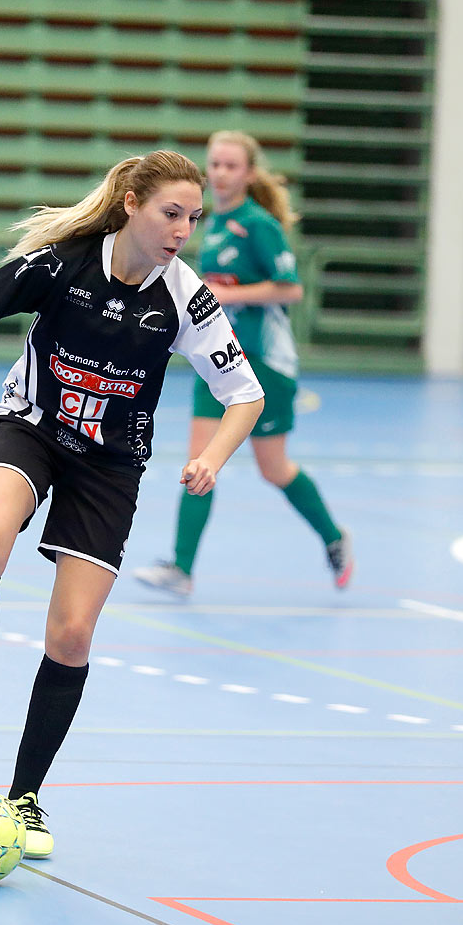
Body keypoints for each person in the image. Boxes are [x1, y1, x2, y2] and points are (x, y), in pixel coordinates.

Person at [0, 150, 264, 859]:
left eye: (193, 218)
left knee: (71, 636)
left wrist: (210, 458)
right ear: (130, 203)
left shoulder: (186, 298)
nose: (183, 229)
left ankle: (25, 798)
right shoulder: (62, 263)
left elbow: (245, 395)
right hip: (31, 425)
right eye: (171, 213)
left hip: (111, 466)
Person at [133, 131, 351, 598]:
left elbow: (290, 288)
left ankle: (334, 536)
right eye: (215, 164)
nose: (220, 173)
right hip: (216, 359)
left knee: (273, 468)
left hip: (263, 363)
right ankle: (182, 568)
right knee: (199, 461)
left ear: (249, 174)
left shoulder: (259, 225)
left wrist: (230, 295)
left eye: (231, 165)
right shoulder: (208, 223)